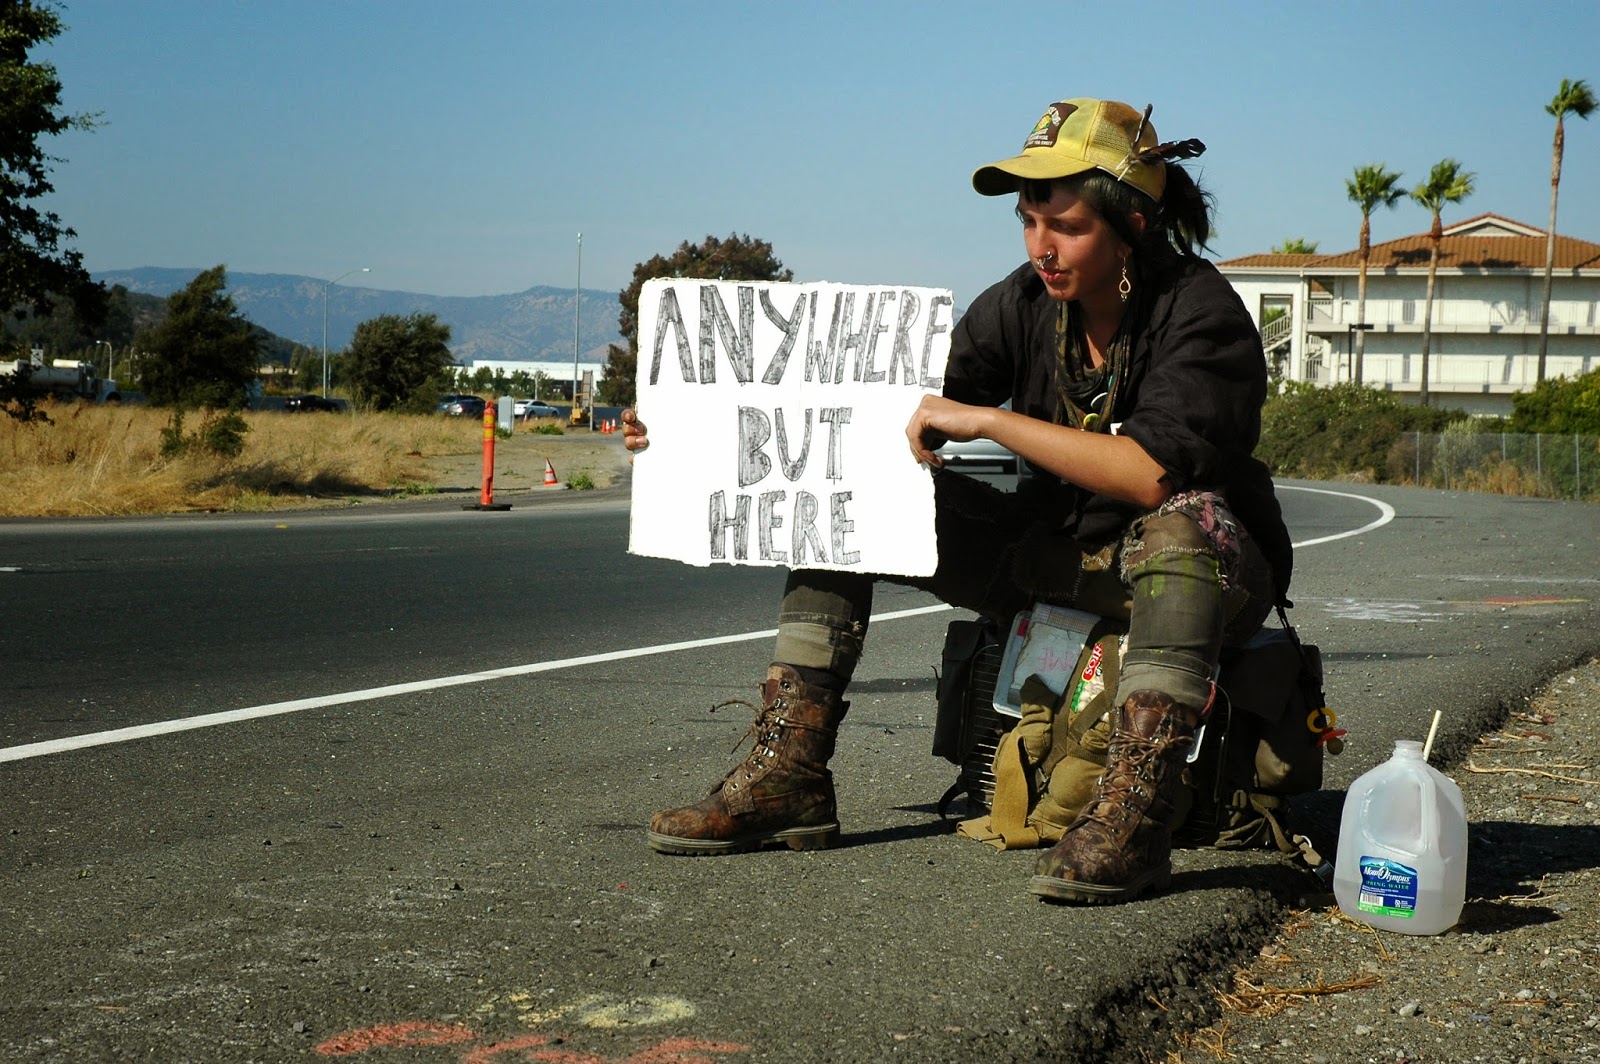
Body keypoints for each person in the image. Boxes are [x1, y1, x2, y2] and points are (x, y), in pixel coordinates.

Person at [620, 97, 1293, 905]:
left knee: (1181, 527)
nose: (1042, 246)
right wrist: (687, 430)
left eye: (1068, 226)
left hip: (1198, 579)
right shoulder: (1022, 303)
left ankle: (1135, 818)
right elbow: (880, 414)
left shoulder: (1201, 311)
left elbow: (1150, 473)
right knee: (842, 495)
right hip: (1062, 554)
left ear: (1135, 226)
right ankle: (790, 773)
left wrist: (987, 421)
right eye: (1028, 220)